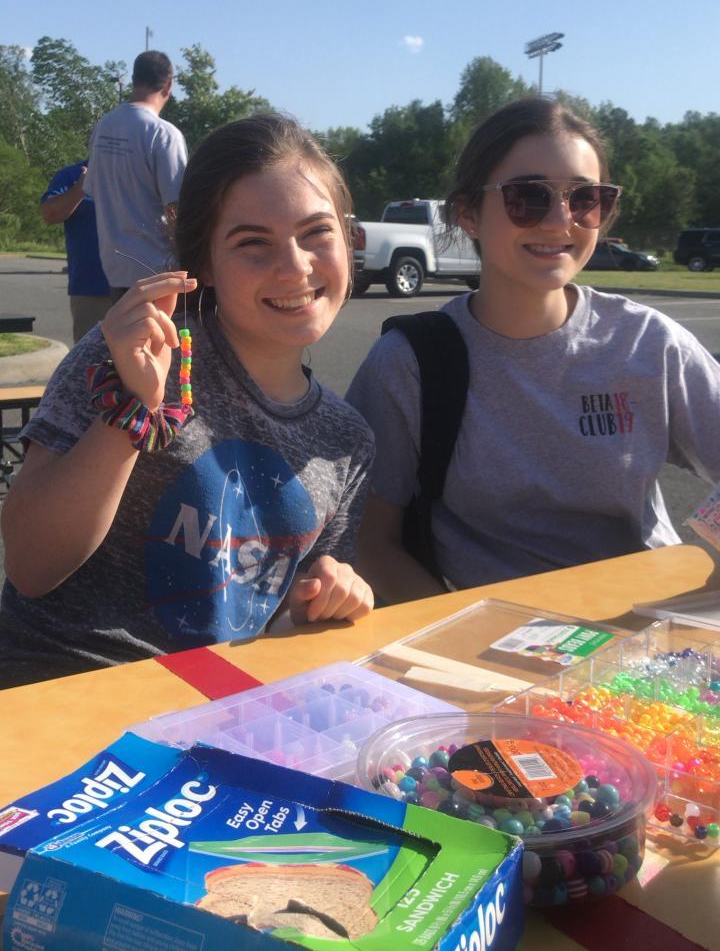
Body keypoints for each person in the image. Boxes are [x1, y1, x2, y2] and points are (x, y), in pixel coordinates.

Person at [0, 114, 374, 686]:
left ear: (347, 239)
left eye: (316, 232)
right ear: (203, 262)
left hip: (215, 702)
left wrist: (325, 596)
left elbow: (279, 624)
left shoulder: (346, 440)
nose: (295, 265)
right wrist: (132, 408)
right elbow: (30, 566)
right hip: (64, 682)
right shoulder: (135, 350)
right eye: (252, 242)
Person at [346, 97, 720, 603]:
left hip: (649, 624)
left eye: (586, 198)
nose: (560, 220)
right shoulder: (409, 364)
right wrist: (463, 635)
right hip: (496, 633)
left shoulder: (649, 343)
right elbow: (372, 544)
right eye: (528, 197)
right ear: (468, 213)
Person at [84, 50, 187, 299]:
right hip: (158, 270)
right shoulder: (164, 134)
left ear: (134, 80)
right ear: (168, 85)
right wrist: (188, 256)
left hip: (115, 268)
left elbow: (92, 189)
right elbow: (176, 207)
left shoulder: (104, 126)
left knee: (127, 326)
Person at [40, 161, 113, 342]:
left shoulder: (144, 171)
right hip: (92, 291)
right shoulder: (72, 175)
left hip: (143, 288)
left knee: (148, 356)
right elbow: (49, 214)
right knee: (91, 356)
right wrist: (81, 188)